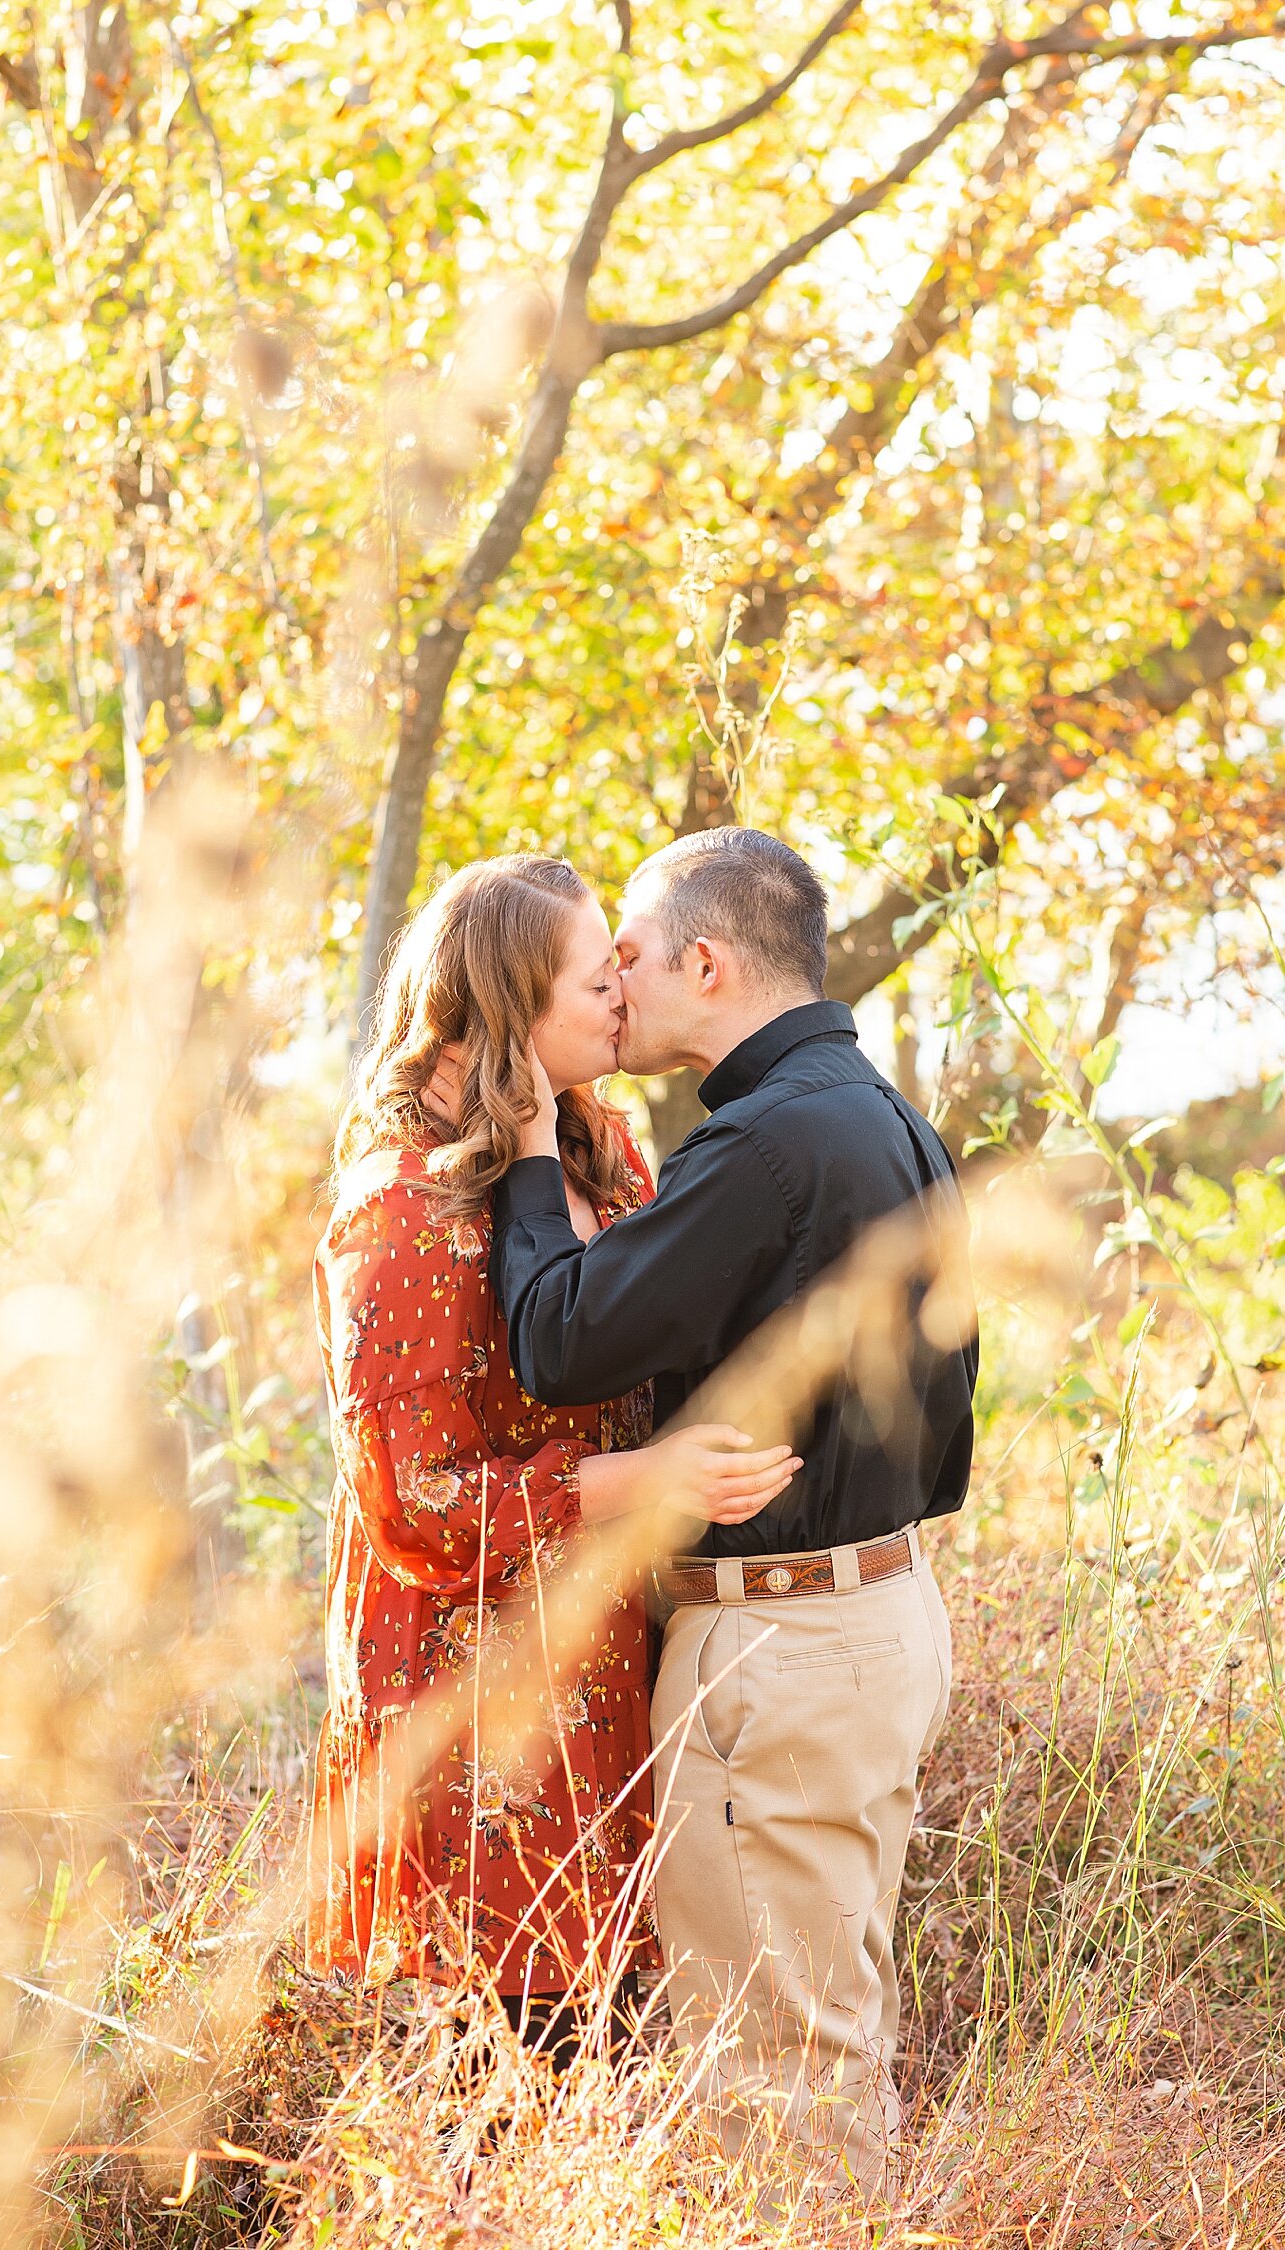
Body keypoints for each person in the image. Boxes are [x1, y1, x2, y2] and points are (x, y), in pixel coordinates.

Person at [489, 828, 978, 2191]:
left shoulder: (767, 1143)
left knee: (776, 2082)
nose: (615, 982)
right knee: (828, 2043)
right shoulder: (887, 1118)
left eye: (631, 955)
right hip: (880, 1617)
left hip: (784, 1652)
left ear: (707, 961)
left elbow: (560, 1338)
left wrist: (533, 1148)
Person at [308, 853, 799, 2062]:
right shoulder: (400, 1213)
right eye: (598, 981)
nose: (625, 1000)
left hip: (612, 1661)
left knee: (624, 2044)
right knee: (508, 2059)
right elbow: (410, 1509)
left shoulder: (603, 1148)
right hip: (476, 1703)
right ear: (507, 1006)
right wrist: (630, 1485)